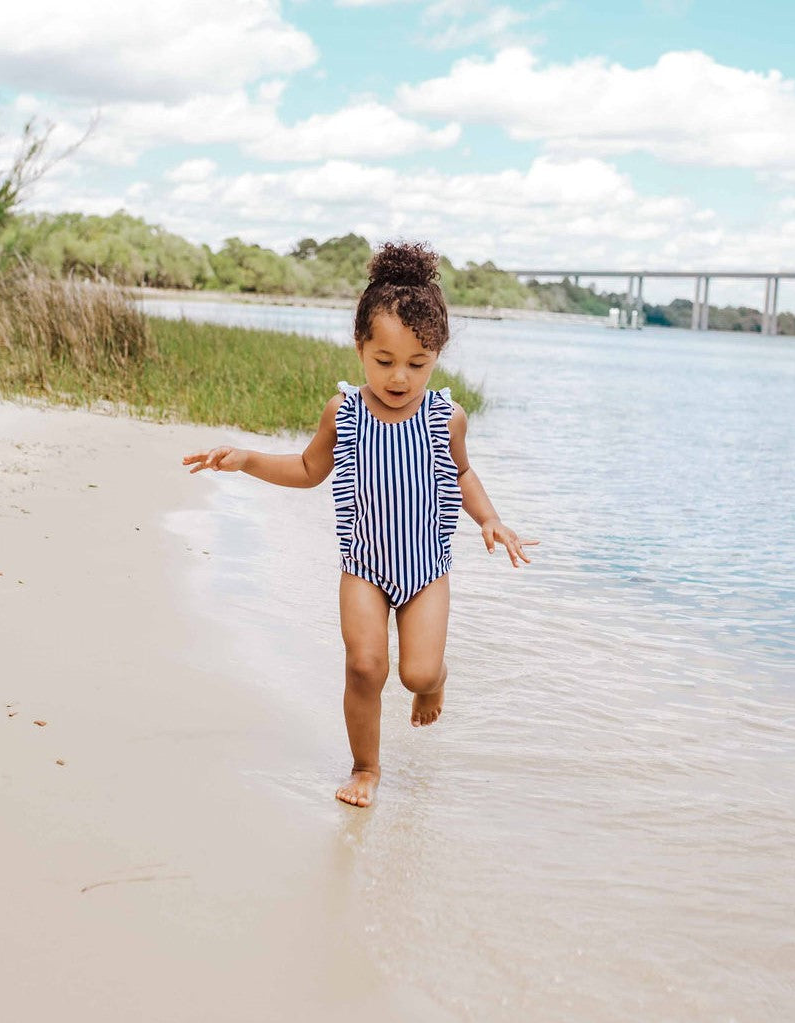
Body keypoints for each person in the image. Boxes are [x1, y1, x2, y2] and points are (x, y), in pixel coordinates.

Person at [182, 242, 536, 808]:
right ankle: (366, 767)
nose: (400, 376)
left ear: (437, 356)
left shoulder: (448, 416)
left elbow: (463, 474)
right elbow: (306, 469)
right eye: (385, 360)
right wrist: (246, 460)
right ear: (360, 349)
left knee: (416, 674)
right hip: (363, 567)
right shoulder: (342, 410)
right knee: (366, 665)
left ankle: (435, 682)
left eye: (417, 364)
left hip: (427, 570)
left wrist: (491, 520)